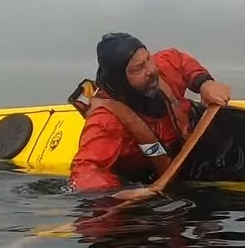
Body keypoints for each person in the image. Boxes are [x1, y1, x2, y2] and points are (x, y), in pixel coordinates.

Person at [69, 32, 232, 200]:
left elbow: (179, 59)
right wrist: (116, 194)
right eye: (138, 68)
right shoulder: (105, 121)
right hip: (154, 177)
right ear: (120, 79)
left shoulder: (159, 67)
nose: (151, 70)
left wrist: (205, 83)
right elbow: (84, 172)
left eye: (148, 59)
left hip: (190, 144)